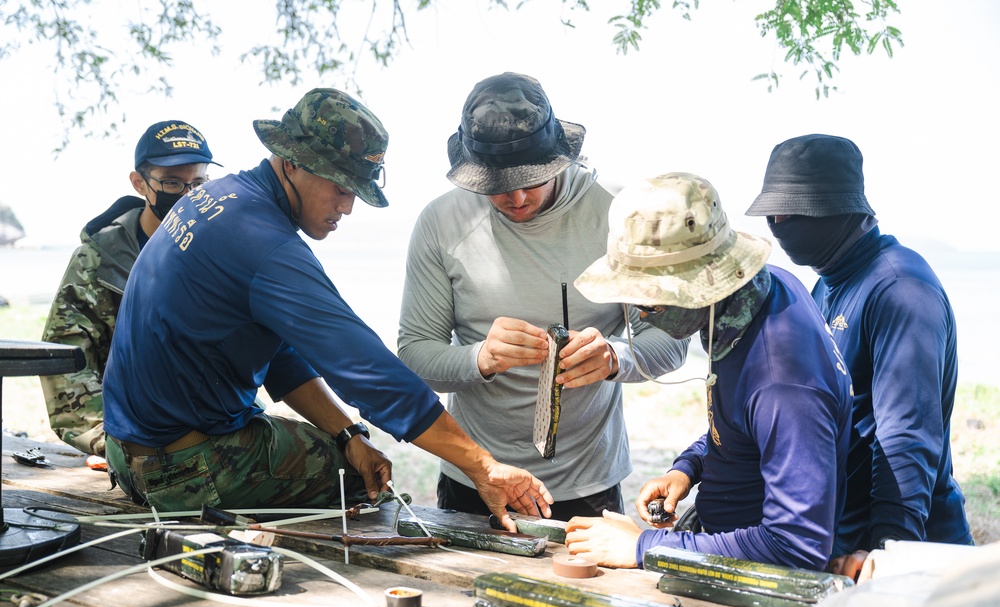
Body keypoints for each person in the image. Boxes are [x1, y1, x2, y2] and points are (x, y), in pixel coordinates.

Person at [101, 88, 553, 530]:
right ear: (292, 162)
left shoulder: (218, 197)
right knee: (359, 481)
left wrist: (347, 432)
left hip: (128, 452)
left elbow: (280, 351)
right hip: (182, 468)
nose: (348, 208)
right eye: (339, 189)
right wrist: (482, 466)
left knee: (349, 451)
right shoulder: (262, 243)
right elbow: (364, 370)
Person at [397, 72, 687, 521]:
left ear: (558, 157)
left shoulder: (617, 213)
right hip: (477, 474)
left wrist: (615, 357)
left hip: (587, 479)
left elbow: (672, 344)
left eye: (530, 178)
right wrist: (479, 359)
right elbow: (415, 357)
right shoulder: (440, 223)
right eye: (494, 183)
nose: (514, 196)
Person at [564, 172, 852, 571]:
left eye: (651, 303)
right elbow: (749, 426)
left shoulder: (783, 381)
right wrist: (690, 467)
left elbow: (797, 545)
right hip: (721, 535)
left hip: (755, 580)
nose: (641, 314)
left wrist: (645, 546)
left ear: (703, 285)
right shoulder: (761, 293)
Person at [746, 134, 973, 580]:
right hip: (843, 543)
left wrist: (886, 554)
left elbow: (906, 437)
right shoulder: (827, 282)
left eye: (792, 212)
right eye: (772, 212)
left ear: (841, 207)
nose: (777, 222)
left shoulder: (900, 289)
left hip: (911, 551)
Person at [40, 120, 220, 459]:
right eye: (171, 182)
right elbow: (64, 358)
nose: (187, 195)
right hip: (129, 436)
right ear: (139, 183)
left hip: (209, 430)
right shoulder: (98, 261)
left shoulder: (218, 249)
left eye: (198, 183)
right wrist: (113, 443)